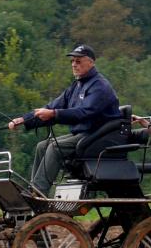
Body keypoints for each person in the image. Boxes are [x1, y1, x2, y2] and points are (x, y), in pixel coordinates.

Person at [8, 45, 121, 196]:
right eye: (73, 61)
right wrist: (24, 119)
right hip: (84, 134)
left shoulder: (100, 86)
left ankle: (37, 192)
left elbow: (84, 112)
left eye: (78, 61)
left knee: (55, 147)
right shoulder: (76, 85)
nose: (74, 64)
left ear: (91, 63)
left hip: (99, 135)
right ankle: (34, 190)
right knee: (42, 146)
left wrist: (54, 114)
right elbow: (53, 106)